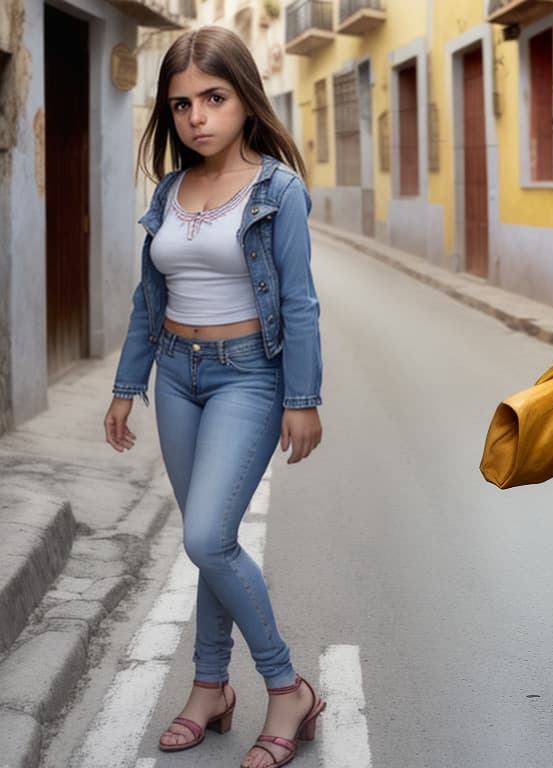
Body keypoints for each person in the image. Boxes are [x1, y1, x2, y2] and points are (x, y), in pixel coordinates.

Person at [103, 27, 326, 768]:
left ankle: (284, 686)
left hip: (248, 376)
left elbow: (298, 302)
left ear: (244, 99)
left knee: (206, 536)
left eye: (213, 98)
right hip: (177, 371)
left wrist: (302, 395)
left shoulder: (278, 189)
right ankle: (208, 688)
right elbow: (147, 297)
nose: (196, 116)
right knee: (214, 539)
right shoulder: (169, 190)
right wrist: (126, 386)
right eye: (180, 105)